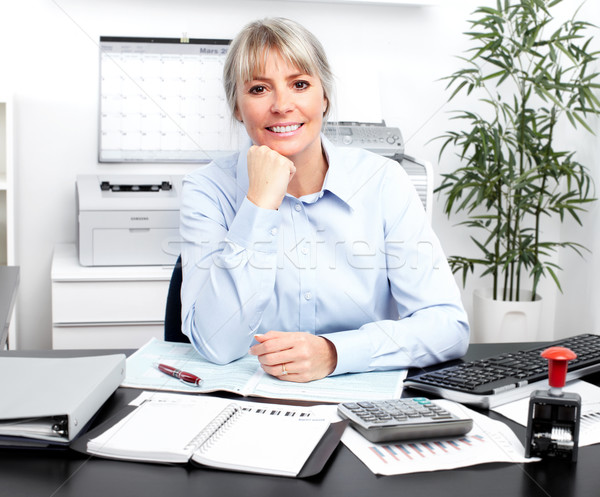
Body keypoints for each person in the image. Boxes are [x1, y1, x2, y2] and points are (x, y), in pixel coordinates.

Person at [180, 17, 469, 383]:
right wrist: (259, 204)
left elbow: (447, 326)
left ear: (325, 97)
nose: (282, 105)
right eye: (258, 89)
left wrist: (335, 353)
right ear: (237, 106)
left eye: (299, 84)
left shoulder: (383, 182)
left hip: (361, 401)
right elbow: (216, 344)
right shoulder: (207, 190)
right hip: (248, 403)